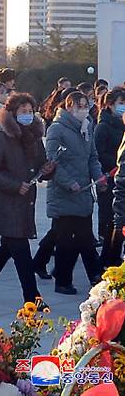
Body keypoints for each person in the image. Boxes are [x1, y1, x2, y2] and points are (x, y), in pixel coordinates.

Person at [0, 93, 54, 302]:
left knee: (8, 247)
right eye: (23, 111)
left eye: (30, 111)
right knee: (22, 253)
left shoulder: (33, 135)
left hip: (25, 201)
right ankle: (33, 298)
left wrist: (48, 169)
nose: (27, 115)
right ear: (13, 113)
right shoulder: (2, 137)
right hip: (6, 202)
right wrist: (15, 185)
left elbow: (40, 165)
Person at [46, 91, 104, 294]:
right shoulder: (57, 129)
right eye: (80, 105)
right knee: (66, 241)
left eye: (86, 106)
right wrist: (69, 183)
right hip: (64, 195)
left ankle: (95, 276)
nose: (84, 110)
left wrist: (99, 177)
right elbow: (52, 163)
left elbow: (92, 158)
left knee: (85, 238)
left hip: (83, 193)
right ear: (69, 106)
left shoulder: (86, 127)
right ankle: (63, 280)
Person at [94, 89, 125, 266]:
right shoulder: (103, 126)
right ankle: (107, 259)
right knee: (112, 221)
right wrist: (116, 163)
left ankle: (111, 258)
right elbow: (98, 152)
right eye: (121, 103)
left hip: (120, 175)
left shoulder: (123, 125)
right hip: (110, 178)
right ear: (110, 104)